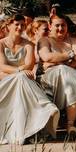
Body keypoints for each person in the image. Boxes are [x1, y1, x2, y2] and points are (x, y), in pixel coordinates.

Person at [0, 15, 59, 143]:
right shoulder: (1, 43)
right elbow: (2, 66)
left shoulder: (28, 44)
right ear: (8, 26)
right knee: (21, 78)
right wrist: (19, 71)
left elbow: (29, 65)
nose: (20, 27)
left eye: (22, 25)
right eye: (16, 24)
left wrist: (21, 72)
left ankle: (20, 133)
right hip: (4, 80)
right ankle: (46, 107)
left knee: (21, 81)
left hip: (22, 80)